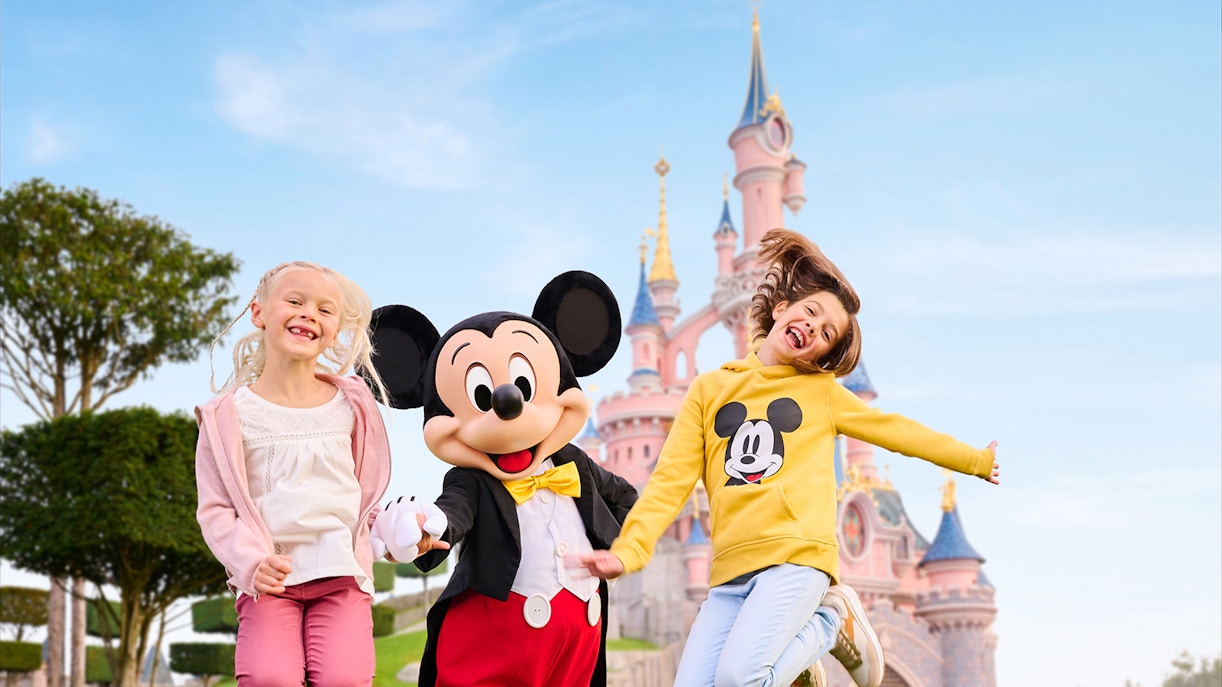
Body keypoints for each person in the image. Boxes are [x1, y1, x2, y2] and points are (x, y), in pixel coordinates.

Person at [570, 229, 1001, 687]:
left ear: (822, 356)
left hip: (798, 560)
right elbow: (669, 483)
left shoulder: (820, 394)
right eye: (811, 311)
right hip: (729, 573)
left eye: (827, 333)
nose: (814, 326)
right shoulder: (710, 389)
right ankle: (798, 663)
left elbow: (896, 430)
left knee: (741, 678)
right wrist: (629, 551)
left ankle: (829, 622)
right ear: (781, 309)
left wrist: (973, 459)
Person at [194, 261, 444, 686]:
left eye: (325, 309)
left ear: (333, 330)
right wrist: (251, 563)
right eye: (295, 301)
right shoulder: (227, 416)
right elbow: (215, 510)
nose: (309, 312)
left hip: (342, 577)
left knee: (345, 679)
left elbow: (359, 496)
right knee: (270, 678)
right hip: (269, 584)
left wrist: (392, 534)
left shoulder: (353, 404)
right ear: (258, 313)